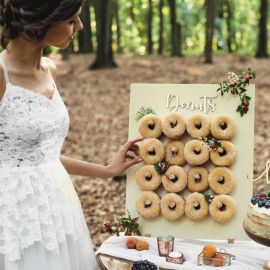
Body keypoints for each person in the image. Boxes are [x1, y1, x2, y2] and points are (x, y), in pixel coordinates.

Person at [0, 1, 143, 269]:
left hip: (58, 207)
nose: (80, 26)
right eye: (71, 21)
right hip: (14, 219)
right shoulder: (1, 75)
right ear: (40, 23)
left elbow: (43, 157)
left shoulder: (48, 69)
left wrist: (107, 170)